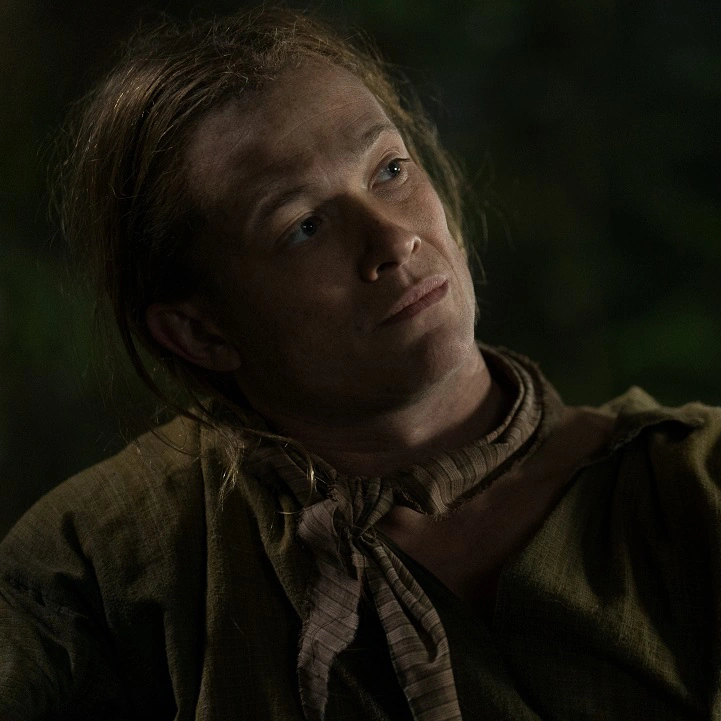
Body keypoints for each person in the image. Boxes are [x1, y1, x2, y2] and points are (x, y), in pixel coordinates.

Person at [1, 7, 719, 721]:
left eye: (390, 170)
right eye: (304, 226)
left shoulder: (694, 484)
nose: (392, 240)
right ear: (200, 331)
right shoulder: (98, 566)